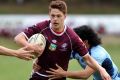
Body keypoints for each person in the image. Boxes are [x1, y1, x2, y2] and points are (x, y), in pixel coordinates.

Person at [14, 0, 111, 80]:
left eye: (58, 16)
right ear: (49, 15)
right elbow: (18, 38)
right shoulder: (42, 27)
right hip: (38, 75)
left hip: (58, 78)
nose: (55, 19)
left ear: (65, 16)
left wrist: (102, 70)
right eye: (52, 16)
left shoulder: (71, 36)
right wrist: (30, 46)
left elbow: (88, 58)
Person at [46, 25, 120, 80]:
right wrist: (40, 61)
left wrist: (62, 74)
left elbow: (85, 75)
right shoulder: (77, 49)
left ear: (85, 42)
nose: (72, 42)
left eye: (75, 40)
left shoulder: (97, 54)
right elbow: (59, 56)